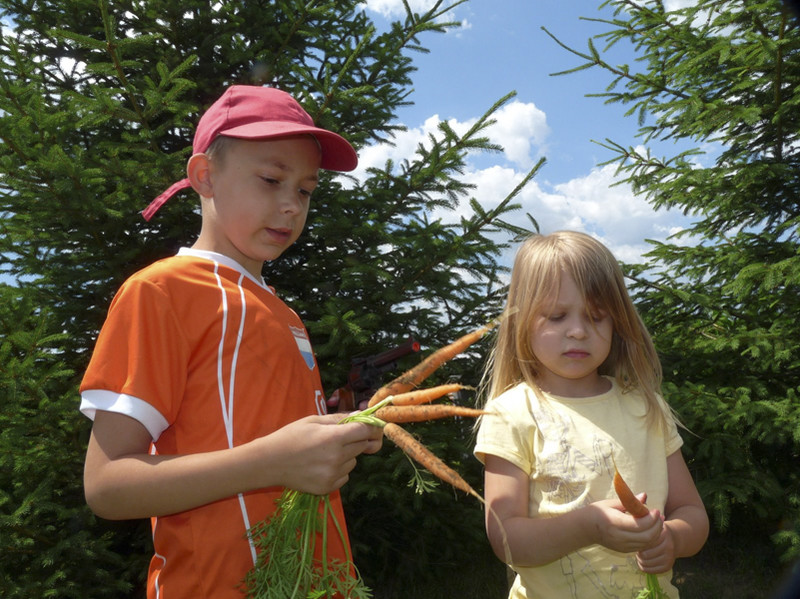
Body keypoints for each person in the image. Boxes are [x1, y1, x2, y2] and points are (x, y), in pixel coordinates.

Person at [80, 85, 384, 599]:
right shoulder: (162, 291)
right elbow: (107, 485)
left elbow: (264, 431)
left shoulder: (282, 312)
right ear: (205, 176)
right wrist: (274, 462)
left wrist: (334, 435)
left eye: (306, 190)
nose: (291, 205)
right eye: (270, 179)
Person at [474, 231, 709, 598]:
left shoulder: (646, 407)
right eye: (556, 316)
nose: (579, 331)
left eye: (597, 317)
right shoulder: (512, 413)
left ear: (617, 324)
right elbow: (506, 540)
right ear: (521, 321)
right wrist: (589, 526)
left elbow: (691, 511)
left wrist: (673, 539)